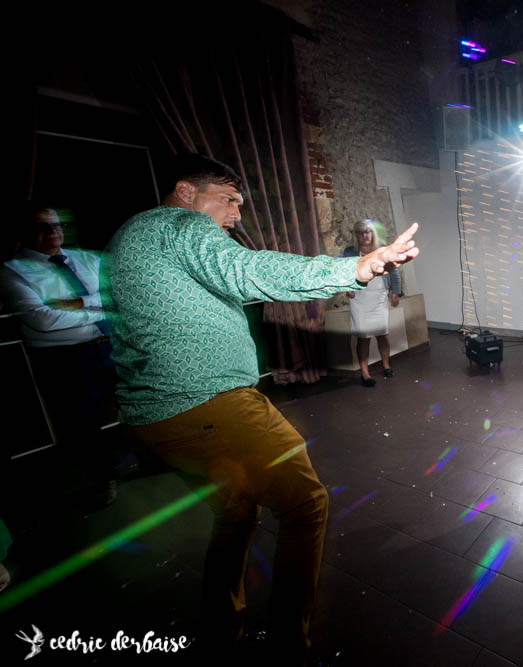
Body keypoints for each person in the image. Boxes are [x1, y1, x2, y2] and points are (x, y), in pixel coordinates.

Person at [102, 153, 418, 661]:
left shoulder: (130, 236)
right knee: (305, 503)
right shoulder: (179, 224)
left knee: (236, 512)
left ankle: (221, 628)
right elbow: (244, 268)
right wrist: (353, 268)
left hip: (156, 414)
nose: (235, 214)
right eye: (228, 200)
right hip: (206, 403)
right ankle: (292, 641)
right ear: (186, 191)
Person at [0, 205, 118, 505]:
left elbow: (121, 293)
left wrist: (78, 303)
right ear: (25, 233)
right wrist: (100, 308)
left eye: (56, 224)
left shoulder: (87, 258)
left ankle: (155, 458)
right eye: (43, 226)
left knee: (140, 403)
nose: (54, 231)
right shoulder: (12, 270)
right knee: (82, 423)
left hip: (111, 344)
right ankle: (103, 480)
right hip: (64, 358)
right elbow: (44, 320)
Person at [342, 219, 402, 387]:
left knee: (383, 334)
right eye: (360, 233)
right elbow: (344, 272)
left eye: (367, 232)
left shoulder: (382, 249)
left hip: (379, 297)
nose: (365, 236)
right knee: (364, 338)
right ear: (356, 236)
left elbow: (394, 272)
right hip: (359, 299)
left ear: (372, 233)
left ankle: (386, 365)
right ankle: (365, 373)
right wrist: (348, 287)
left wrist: (396, 292)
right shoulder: (350, 252)